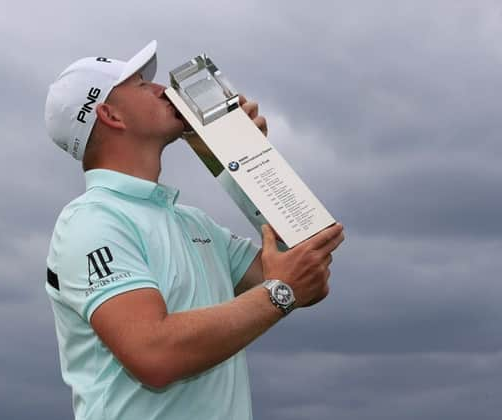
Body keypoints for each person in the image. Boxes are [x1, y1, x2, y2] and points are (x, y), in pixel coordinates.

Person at [43, 40, 344, 420]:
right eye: (140, 85)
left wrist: (247, 162)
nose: (161, 89)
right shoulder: (90, 222)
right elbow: (153, 354)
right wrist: (279, 294)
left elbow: (307, 266)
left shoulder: (192, 223)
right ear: (110, 116)